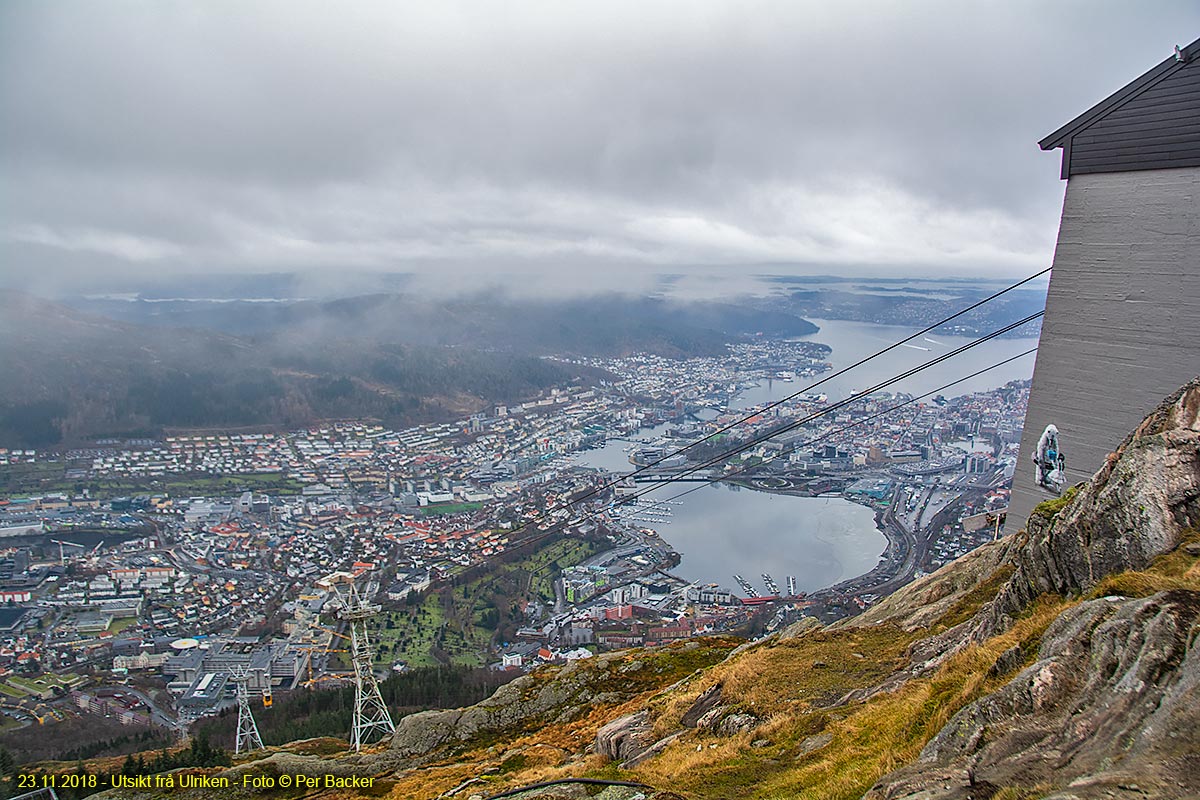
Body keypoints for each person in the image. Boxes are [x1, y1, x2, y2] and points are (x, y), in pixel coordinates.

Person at [1033, 424, 1065, 491]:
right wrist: (1041, 460)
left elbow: (1056, 448)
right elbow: (1041, 449)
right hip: (1042, 457)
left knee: (1051, 468)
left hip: (1049, 457)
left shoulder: (1054, 439)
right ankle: (1040, 479)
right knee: (1041, 469)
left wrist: (1055, 459)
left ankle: (1047, 479)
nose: (1051, 440)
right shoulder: (1044, 439)